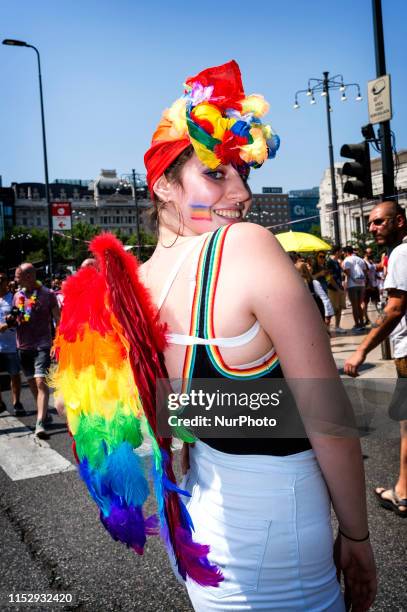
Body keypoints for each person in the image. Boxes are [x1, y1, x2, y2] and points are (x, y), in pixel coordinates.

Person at [141, 60, 376, 610]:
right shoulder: (244, 246)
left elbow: (165, 417)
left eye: (243, 174)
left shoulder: (137, 282)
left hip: (200, 525)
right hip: (281, 524)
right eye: (216, 174)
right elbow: (326, 414)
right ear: (164, 188)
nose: (242, 193)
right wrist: (360, 539)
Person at [345, 201, 407, 517]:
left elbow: (395, 309)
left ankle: (403, 493)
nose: (372, 228)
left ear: (399, 220)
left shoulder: (400, 254)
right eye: (370, 223)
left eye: (379, 222)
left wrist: (361, 350)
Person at [13, 263, 60, 437]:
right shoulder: (18, 295)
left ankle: (39, 423)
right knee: (33, 382)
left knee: (41, 382)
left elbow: (58, 319)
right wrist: (12, 319)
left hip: (43, 344)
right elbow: (17, 316)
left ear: (30, 276)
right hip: (23, 346)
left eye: (18, 276)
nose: (16, 279)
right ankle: (45, 413)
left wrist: (59, 340)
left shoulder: (48, 294)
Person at [0, 272, 24, 415]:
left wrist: (8, 324)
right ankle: (0, 402)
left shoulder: (14, 297)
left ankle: (17, 402)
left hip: (11, 344)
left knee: (14, 374)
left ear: (6, 282)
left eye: (2, 279)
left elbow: (21, 315)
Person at [343, 246, 367, 331]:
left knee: (354, 305)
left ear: (346, 252)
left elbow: (347, 272)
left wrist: (350, 276)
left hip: (352, 285)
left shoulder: (347, 260)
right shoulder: (360, 259)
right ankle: (362, 323)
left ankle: (357, 324)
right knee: (360, 303)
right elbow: (365, 272)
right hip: (362, 284)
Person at [311, 252, 334, 330]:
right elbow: (310, 278)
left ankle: (326, 329)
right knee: (323, 312)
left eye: (324, 257)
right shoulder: (313, 267)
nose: (322, 258)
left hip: (325, 290)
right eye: (320, 256)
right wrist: (319, 274)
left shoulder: (324, 267)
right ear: (316, 258)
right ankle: (324, 330)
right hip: (318, 293)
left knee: (328, 313)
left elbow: (328, 279)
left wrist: (328, 276)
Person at [327, 246, 347, 333]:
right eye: (340, 252)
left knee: (339, 308)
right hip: (333, 288)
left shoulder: (336, 262)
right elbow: (329, 277)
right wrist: (337, 288)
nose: (342, 253)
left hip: (338, 287)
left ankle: (337, 326)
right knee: (333, 308)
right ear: (336, 252)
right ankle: (327, 327)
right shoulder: (330, 262)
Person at [362, 248, 380, 326]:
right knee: (365, 303)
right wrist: (369, 284)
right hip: (367, 286)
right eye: (369, 252)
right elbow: (365, 274)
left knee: (376, 302)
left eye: (371, 252)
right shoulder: (363, 262)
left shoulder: (371, 262)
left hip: (374, 285)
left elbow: (373, 273)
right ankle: (366, 319)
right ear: (365, 253)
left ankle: (378, 318)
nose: (371, 254)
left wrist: (378, 278)